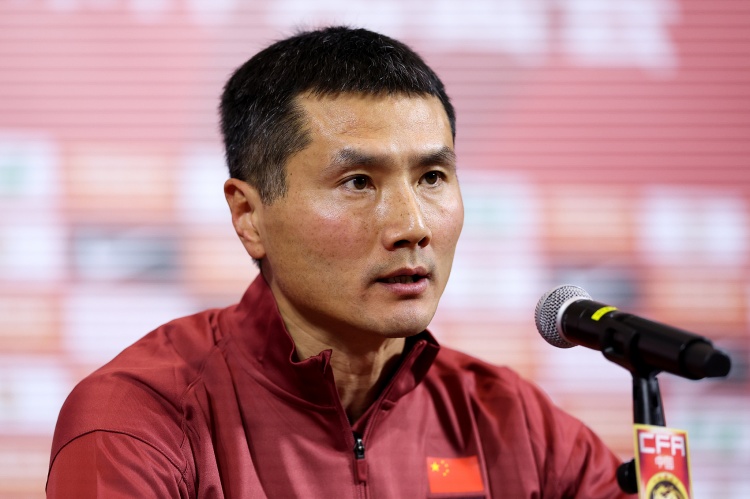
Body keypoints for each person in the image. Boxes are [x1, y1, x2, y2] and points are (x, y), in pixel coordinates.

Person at [47, 26, 633, 498]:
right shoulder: (139, 419)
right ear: (249, 215)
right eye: (358, 182)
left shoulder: (513, 422)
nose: (413, 226)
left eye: (432, 177)